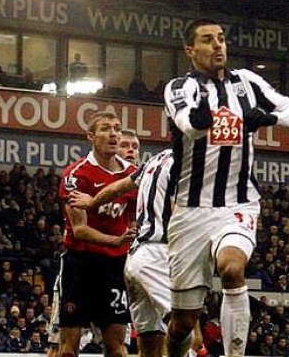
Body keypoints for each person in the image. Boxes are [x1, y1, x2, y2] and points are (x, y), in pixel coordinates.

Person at [161, 19, 289, 357]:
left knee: (232, 267)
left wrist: (268, 118)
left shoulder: (247, 81)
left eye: (222, 39)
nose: (218, 45)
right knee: (183, 321)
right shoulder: (179, 87)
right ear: (190, 50)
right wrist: (228, 116)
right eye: (208, 40)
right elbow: (191, 125)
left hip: (238, 203)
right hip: (190, 211)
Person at [68, 144, 203, 357]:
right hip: (161, 254)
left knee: (149, 345)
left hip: (136, 258)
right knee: (184, 329)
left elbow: (119, 187)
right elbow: (179, 210)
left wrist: (93, 201)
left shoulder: (155, 160)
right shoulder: (190, 166)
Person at [52, 111, 138, 357]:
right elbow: (79, 230)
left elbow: (133, 219)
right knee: (67, 350)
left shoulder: (133, 176)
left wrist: (131, 237)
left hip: (115, 267)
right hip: (80, 264)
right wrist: (117, 240)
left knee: (116, 349)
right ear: (91, 136)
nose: (113, 134)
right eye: (106, 128)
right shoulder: (76, 175)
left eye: (117, 128)